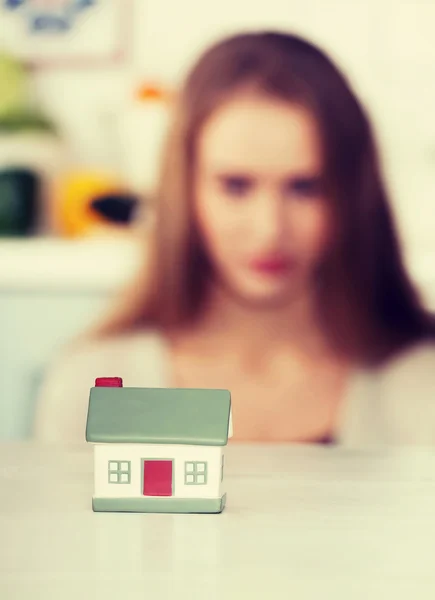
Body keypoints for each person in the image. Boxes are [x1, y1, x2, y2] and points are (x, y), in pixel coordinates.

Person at [33, 31, 435, 446]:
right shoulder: (90, 384)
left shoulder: (422, 382)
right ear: (184, 190)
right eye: (236, 186)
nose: (270, 229)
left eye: (305, 187)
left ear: (352, 194)